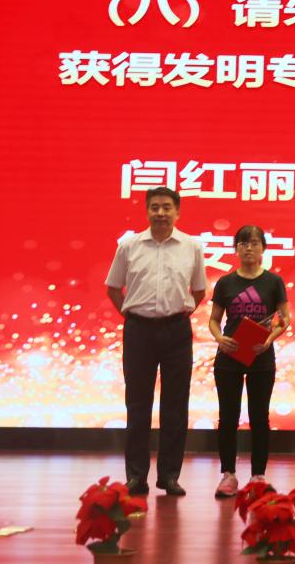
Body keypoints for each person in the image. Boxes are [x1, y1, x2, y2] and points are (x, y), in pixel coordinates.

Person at [105, 187, 207, 497]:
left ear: (177, 212)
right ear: (147, 211)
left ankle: (170, 476)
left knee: (175, 405)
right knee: (137, 405)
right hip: (139, 330)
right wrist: (132, 315)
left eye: (166, 207)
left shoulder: (192, 246)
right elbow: (113, 287)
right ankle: (136, 477)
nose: (160, 213)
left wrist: (175, 314)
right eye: (154, 207)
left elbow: (199, 291)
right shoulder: (129, 245)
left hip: (177, 330)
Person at [208, 225, 290, 498]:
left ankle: (258, 476)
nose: (249, 248)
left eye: (254, 243)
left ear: (263, 248)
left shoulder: (273, 282)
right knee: (228, 417)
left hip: (261, 356)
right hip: (229, 357)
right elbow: (214, 320)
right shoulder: (226, 283)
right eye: (243, 243)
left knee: (259, 417)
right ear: (236, 249)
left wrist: (270, 339)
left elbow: (284, 319)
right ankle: (228, 475)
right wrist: (220, 338)